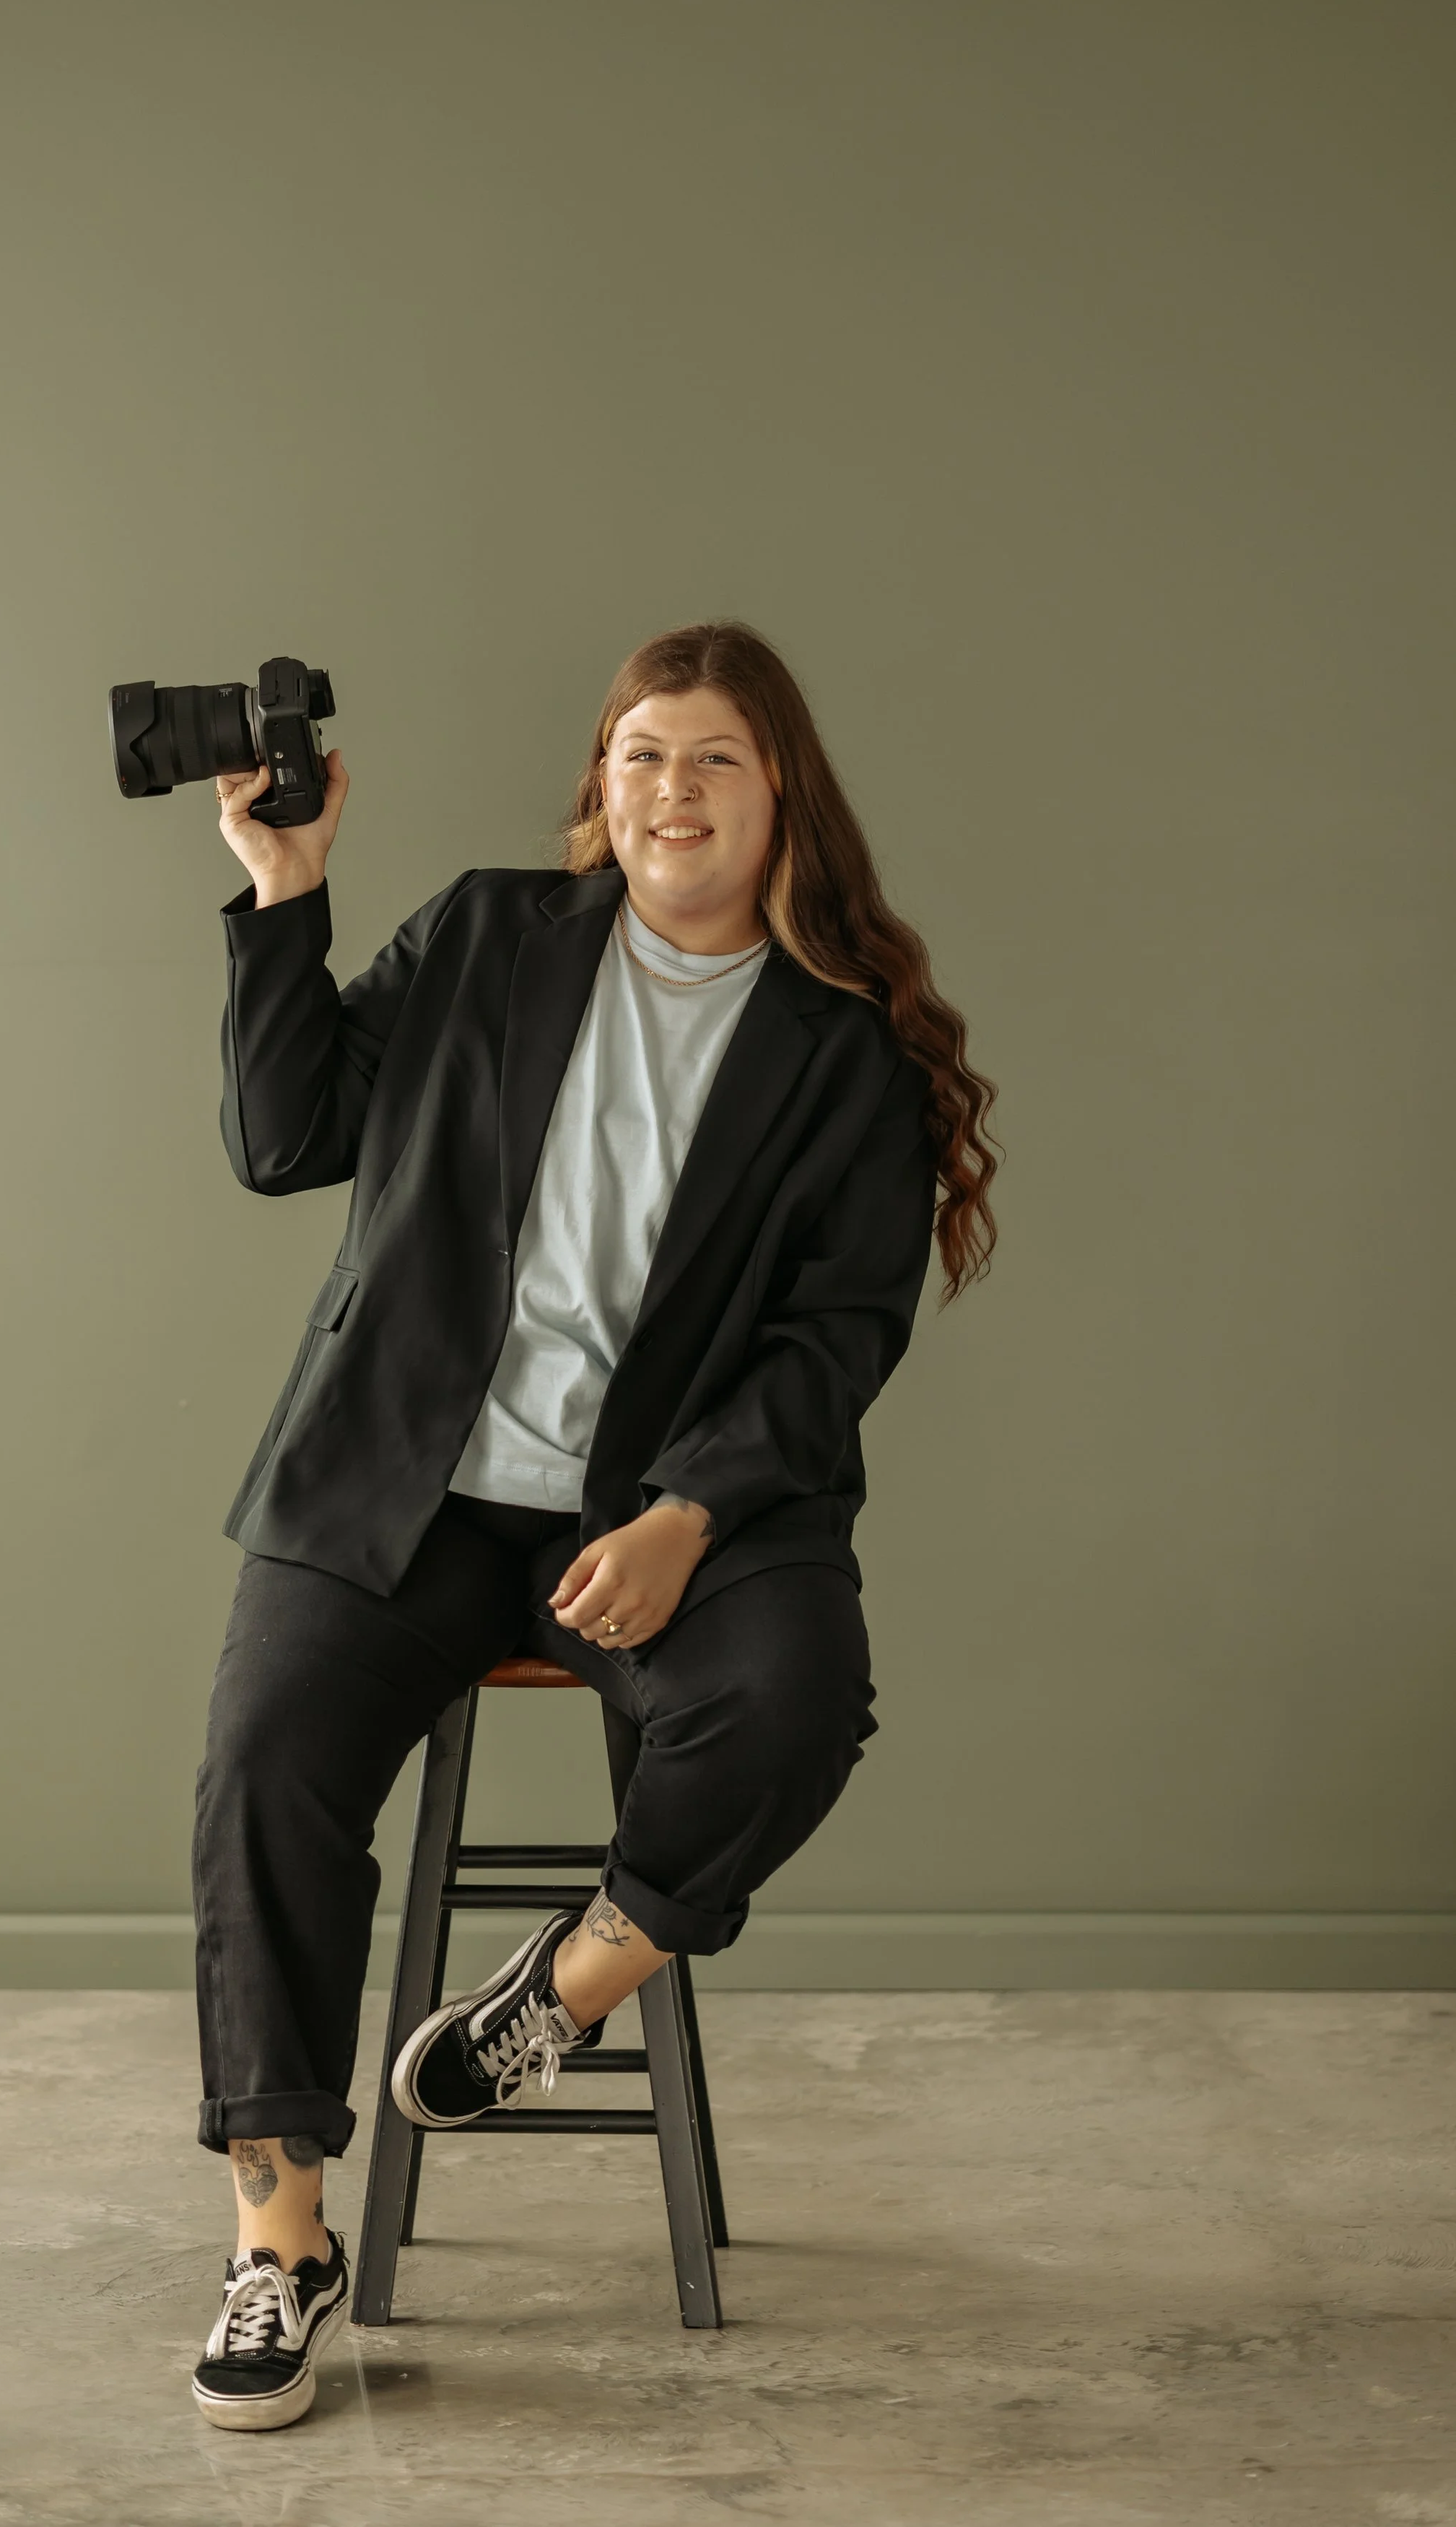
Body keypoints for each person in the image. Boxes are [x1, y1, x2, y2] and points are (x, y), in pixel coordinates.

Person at [186, 619, 998, 2430]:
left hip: (663, 1496)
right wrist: (281, 893)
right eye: (639, 754)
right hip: (405, 1479)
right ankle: (278, 2241)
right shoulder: (486, 935)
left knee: (793, 1698)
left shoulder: (841, 1051)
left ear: (779, 788)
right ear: (598, 789)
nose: (671, 789)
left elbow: (836, 1332)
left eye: (710, 756)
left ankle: (559, 1989)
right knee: (264, 1766)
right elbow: (278, 1136)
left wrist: (691, 1514)